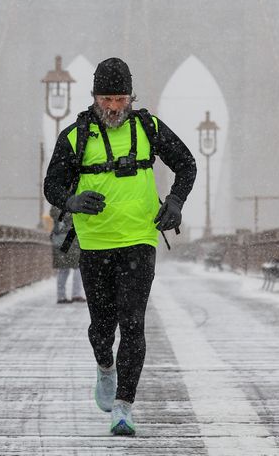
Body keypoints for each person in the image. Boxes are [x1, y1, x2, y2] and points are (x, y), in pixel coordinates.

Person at [44, 57, 196, 436]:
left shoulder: (149, 127)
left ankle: (124, 407)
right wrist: (72, 201)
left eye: (120, 99)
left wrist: (175, 202)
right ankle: (104, 368)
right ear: (95, 97)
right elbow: (52, 185)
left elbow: (187, 164)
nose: (113, 107)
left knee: (132, 324)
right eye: (107, 99)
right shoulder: (75, 137)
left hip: (139, 241)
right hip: (95, 244)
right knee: (102, 327)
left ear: (130, 97)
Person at [49, 205, 85, 304]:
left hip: (66, 238)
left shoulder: (59, 202)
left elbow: (55, 214)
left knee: (68, 268)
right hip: (68, 237)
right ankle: (71, 295)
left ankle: (65, 295)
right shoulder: (66, 201)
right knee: (71, 267)